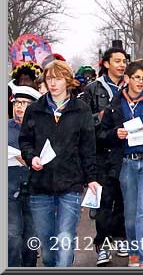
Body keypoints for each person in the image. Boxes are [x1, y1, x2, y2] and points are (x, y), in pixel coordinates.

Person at [18, 60, 100, 267]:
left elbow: (88, 148)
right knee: (47, 246)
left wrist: (92, 178)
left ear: (68, 81)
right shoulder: (34, 110)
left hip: (70, 185)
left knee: (64, 239)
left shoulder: (80, 110)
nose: (53, 83)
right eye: (49, 79)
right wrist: (31, 157)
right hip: (40, 185)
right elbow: (25, 140)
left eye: (58, 79)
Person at [98, 61, 143, 268]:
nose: (141, 82)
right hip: (125, 163)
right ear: (127, 79)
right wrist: (116, 134)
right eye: (137, 78)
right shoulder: (115, 105)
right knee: (131, 214)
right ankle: (134, 252)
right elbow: (101, 135)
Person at [82, 47, 128, 266]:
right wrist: (99, 117)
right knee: (103, 202)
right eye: (117, 61)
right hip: (101, 153)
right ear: (106, 64)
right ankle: (102, 244)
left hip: (124, 151)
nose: (121, 65)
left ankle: (120, 237)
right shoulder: (93, 89)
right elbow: (82, 120)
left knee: (123, 199)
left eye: (124, 61)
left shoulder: (131, 88)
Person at [8, 85, 41, 267]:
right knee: (12, 238)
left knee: (30, 241)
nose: (19, 107)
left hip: (34, 191)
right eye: (17, 102)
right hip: (8, 191)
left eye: (25, 103)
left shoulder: (42, 130)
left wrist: (30, 159)